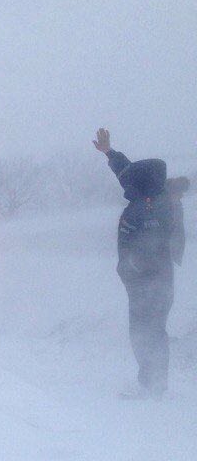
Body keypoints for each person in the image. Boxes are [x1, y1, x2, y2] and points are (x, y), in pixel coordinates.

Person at [94, 128, 174, 399]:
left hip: (147, 285)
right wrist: (109, 153)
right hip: (156, 283)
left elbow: (141, 251)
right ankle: (155, 383)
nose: (126, 183)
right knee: (154, 332)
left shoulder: (146, 210)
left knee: (144, 333)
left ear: (142, 184)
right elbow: (127, 173)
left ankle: (152, 386)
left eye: (133, 180)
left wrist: (129, 271)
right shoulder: (156, 200)